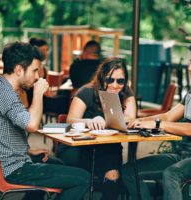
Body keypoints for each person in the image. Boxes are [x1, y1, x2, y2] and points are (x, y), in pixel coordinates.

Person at [122, 40, 191, 200]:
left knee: (171, 174)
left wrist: (155, 124)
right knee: (129, 171)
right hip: (182, 155)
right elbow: (169, 116)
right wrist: (137, 121)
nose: (190, 68)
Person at [0, 42, 90, 200]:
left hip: (5, 165)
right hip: (13, 170)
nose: (37, 76)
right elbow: (32, 125)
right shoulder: (4, 94)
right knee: (83, 178)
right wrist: (38, 93)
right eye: (35, 70)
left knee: (59, 165)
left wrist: (27, 151)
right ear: (18, 70)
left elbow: (1, 133)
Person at [57, 57, 137, 200]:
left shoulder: (126, 93)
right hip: (80, 146)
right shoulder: (86, 92)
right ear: (102, 78)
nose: (115, 85)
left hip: (108, 147)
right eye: (110, 79)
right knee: (81, 178)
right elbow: (69, 121)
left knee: (113, 178)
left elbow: (130, 118)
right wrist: (89, 121)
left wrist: (106, 121)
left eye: (120, 81)